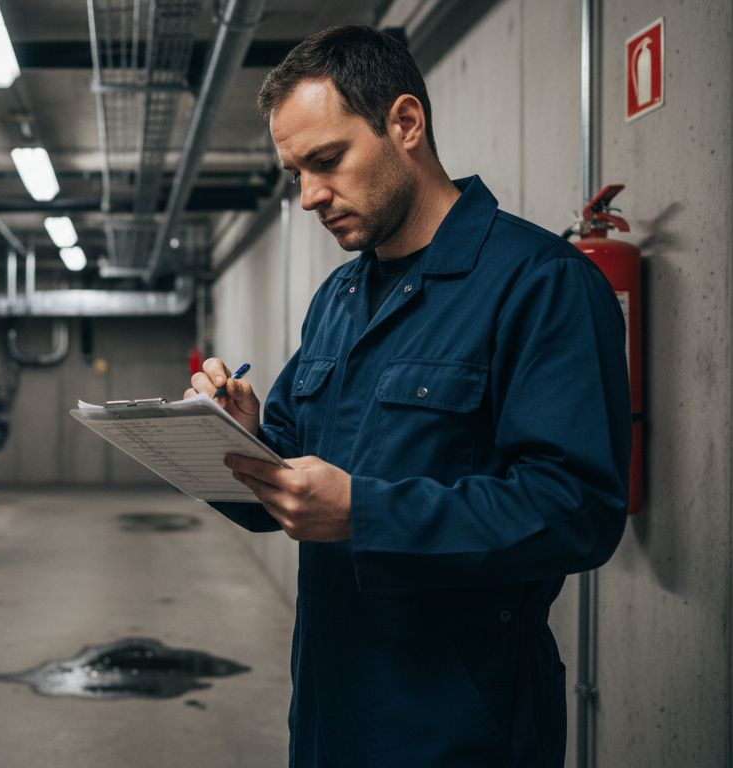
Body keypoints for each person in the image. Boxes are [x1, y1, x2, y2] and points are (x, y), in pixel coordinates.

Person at [184, 26, 630, 767]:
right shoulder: (340, 296)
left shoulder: (539, 284)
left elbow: (576, 510)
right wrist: (239, 436)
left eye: (325, 161)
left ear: (406, 124)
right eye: (295, 172)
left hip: (460, 724)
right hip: (331, 711)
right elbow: (289, 475)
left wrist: (366, 513)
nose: (308, 197)